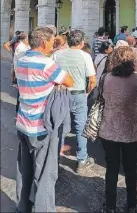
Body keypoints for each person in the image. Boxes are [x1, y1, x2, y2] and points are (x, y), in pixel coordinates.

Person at [15, 27, 74, 212]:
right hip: (41, 126)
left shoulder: (21, 59)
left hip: (23, 121)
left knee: (24, 170)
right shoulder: (46, 64)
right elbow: (69, 81)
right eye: (51, 41)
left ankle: (22, 206)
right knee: (45, 175)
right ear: (43, 42)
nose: (53, 44)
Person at [99, 47, 137, 213]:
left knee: (111, 168)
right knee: (131, 168)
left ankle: (110, 204)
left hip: (109, 128)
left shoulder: (106, 78)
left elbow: (101, 96)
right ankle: (132, 203)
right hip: (131, 129)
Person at [56, 30, 97, 173]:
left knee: (60, 125)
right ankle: (82, 159)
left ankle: (56, 157)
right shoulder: (85, 56)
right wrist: (87, 91)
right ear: (81, 42)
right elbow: (92, 79)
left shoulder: (58, 54)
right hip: (79, 94)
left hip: (61, 93)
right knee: (80, 127)